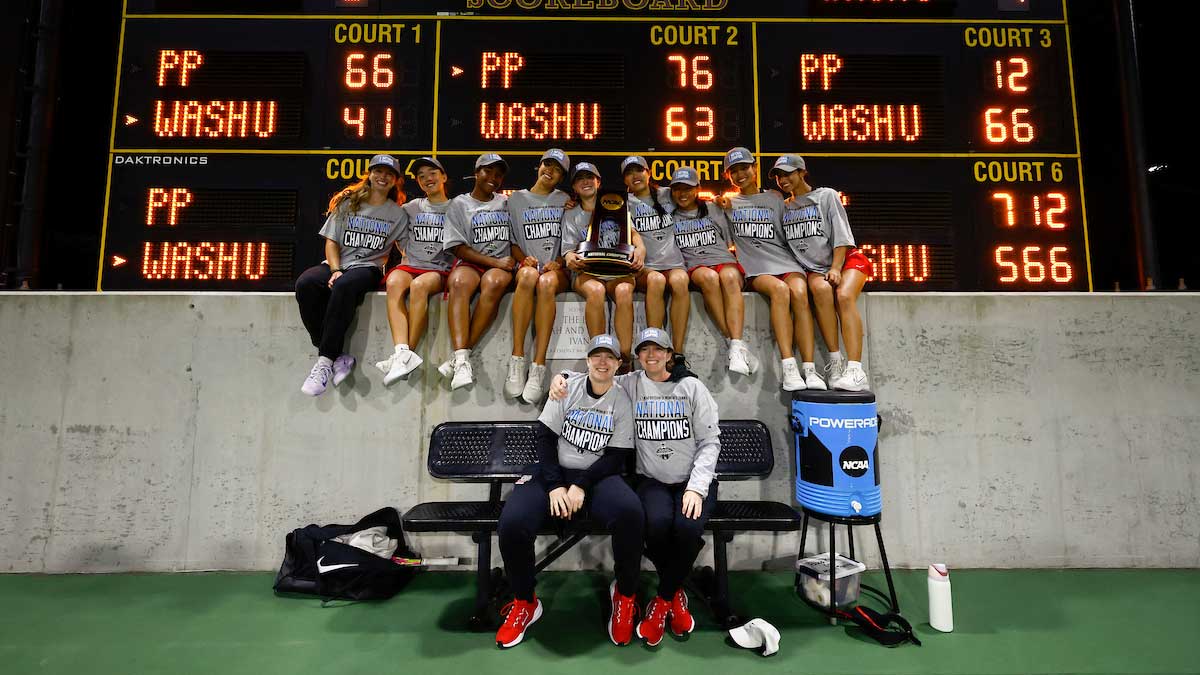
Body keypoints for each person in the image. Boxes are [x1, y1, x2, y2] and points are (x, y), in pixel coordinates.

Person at [548, 327, 720, 647]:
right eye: (644, 350)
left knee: (686, 529)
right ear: (637, 357)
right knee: (653, 525)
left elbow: (710, 441)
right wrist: (560, 375)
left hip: (691, 483)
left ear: (670, 354)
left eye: (658, 349)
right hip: (651, 481)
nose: (651, 355)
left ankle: (664, 601)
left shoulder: (692, 387)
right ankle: (676, 590)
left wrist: (696, 488)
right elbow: (596, 373)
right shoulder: (630, 382)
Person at [495, 334, 643, 649]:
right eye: (596, 356)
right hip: (554, 474)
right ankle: (525, 602)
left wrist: (581, 485)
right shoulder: (566, 388)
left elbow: (616, 456)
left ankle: (625, 595)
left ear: (619, 363)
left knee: (631, 513)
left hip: (597, 477)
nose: (602, 362)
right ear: (587, 360)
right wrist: (555, 486)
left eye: (609, 357)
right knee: (512, 522)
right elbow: (545, 439)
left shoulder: (622, 400)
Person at [295, 154, 406, 396]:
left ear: (395, 180)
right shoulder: (349, 203)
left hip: (368, 267)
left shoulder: (397, 214)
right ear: (370, 174)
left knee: (345, 285)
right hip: (337, 263)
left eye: (389, 174)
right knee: (306, 283)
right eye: (378, 171)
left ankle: (324, 362)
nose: (383, 177)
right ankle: (337, 356)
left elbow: (406, 248)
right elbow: (331, 241)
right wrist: (334, 269)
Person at [718, 147, 825, 391]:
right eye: (733, 171)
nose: (740, 174)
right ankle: (788, 367)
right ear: (728, 176)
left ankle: (809, 368)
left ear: (754, 168)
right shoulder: (728, 203)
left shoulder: (776, 198)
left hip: (786, 262)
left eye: (744, 168)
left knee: (799, 292)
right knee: (779, 291)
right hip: (757, 268)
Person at [771, 154, 872, 391]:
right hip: (814, 269)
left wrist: (836, 268)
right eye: (778, 176)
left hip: (845, 260)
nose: (782, 179)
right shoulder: (784, 208)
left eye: (787, 174)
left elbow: (842, 235)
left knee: (845, 296)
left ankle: (856, 370)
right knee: (820, 289)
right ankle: (836, 363)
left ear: (802, 172)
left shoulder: (826, 195)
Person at [665, 166, 758, 377]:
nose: (683, 193)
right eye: (677, 189)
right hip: (695, 265)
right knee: (708, 277)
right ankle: (732, 342)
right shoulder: (669, 216)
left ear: (698, 188)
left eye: (688, 188)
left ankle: (735, 344)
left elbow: (733, 236)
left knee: (728, 276)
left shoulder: (714, 208)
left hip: (723, 259)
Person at [440, 153, 516, 390]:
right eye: (488, 171)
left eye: (498, 174)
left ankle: (460, 357)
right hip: (475, 261)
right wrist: (493, 262)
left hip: (501, 265)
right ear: (476, 172)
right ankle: (462, 358)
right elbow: (458, 248)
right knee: (459, 282)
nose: (493, 177)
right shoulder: (459, 204)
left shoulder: (506, 202)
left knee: (493, 283)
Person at [375, 156, 453, 385]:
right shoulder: (410, 208)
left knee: (419, 287)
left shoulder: (456, 207)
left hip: (439, 269)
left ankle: (405, 355)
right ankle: (402, 353)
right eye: (421, 176)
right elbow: (393, 228)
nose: (427, 178)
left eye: (432, 173)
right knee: (394, 282)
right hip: (411, 265)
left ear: (443, 177)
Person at [562, 161, 647, 368]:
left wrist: (641, 250)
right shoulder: (571, 214)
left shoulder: (617, 204)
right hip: (588, 272)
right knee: (596, 290)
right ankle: (599, 356)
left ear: (598, 182)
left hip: (618, 270)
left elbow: (633, 234)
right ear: (573, 187)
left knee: (625, 290)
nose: (585, 182)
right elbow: (567, 251)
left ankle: (625, 360)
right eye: (580, 179)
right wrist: (570, 258)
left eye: (589, 177)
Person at [504, 149, 571, 403]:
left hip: (557, 270)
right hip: (527, 267)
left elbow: (575, 237)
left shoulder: (564, 199)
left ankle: (538, 367)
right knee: (529, 277)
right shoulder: (514, 200)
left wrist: (561, 261)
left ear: (561, 176)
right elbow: (509, 241)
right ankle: (517, 359)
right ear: (539, 166)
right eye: (547, 165)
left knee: (544, 282)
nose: (549, 171)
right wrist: (523, 258)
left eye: (556, 169)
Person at [622, 156, 692, 357]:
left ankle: (677, 353)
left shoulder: (668, 194)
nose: (635, 175)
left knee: (680, 281)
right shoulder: (624, 202)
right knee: (656, 280)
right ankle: (656, 348)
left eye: (639, 170)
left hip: (673, 263)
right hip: (646, 267)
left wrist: (724, 201)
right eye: (629, 172)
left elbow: (694, 195)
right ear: (624, 180)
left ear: (648, 172)